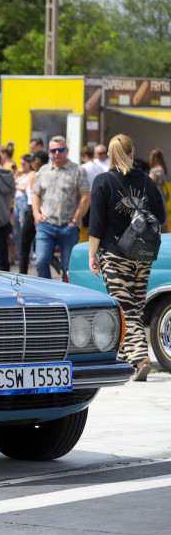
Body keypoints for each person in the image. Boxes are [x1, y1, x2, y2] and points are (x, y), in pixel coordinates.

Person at [88, 134, 165, 382]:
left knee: (125, 307)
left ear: (109, 155)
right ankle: (125, 356)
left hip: (115, 252)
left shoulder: (103, 181)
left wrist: (92, 254)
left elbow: (97, 223)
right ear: (132, 153)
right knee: (137, 306)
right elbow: (161, 216)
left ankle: (141, 357)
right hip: (143, 252)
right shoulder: (146, 181)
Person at [32, 135, 90, 279]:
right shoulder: (43, 170)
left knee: (67, 267)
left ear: (67, 150)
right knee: (40, 261)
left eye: (60, 149)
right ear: (49, 152)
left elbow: (86, 196)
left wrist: (75, 221)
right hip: (46, 225)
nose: (57, 153)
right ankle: (45, 294)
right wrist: (36, 214)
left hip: (68, 226)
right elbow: (36, 194)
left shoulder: (78, 170)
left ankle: (67, 297)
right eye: (53, 151)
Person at [18, 150, 49, 274]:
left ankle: (22, 275)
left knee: (25, 247)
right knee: (45, 245)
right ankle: (61, 270)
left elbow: (36, 195)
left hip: (33, 210)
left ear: (36, 162)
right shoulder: (49, 174)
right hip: (45, 210)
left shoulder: (34, 175)